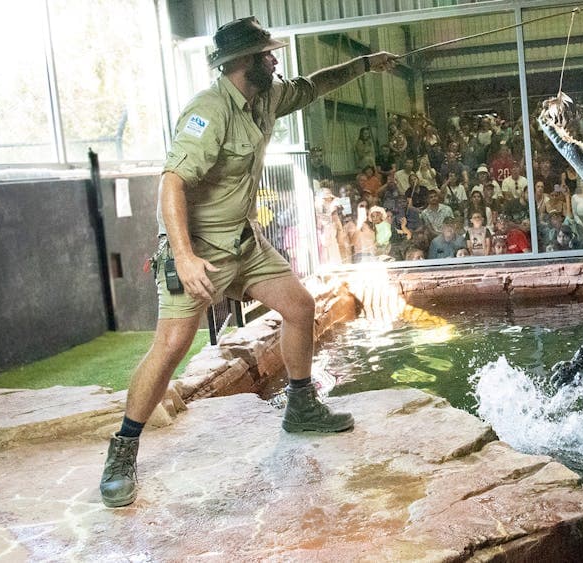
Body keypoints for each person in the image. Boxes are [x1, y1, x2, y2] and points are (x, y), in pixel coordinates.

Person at [98, 16, 397, 508]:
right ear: (242, 62)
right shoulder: (208, 112)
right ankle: (123, 450)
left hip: (244, 243)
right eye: (266, 54)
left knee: (300, 307)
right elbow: (171, 182)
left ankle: (301, 407)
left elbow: (315, 86)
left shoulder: (267, 96)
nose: (274, 59)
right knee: (171, 346)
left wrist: (367, 64)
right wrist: (186, 257)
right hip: (198, 249)